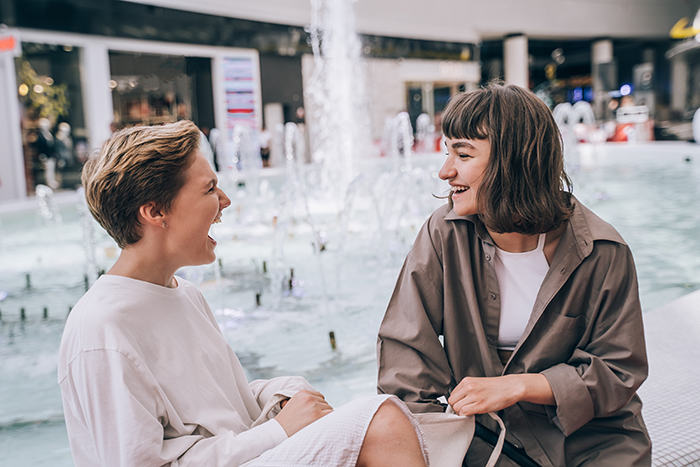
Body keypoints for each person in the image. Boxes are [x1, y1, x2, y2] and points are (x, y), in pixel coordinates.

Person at [58, 120, 428, 467]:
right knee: (383, 423)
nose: (224, 201)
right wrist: (280, 430)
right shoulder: (102, 330)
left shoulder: (183, 294)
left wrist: (277, 395)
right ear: (155, 211)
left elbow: (220, 409)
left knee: (387, 420)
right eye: (208, 189)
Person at [377, 83, 651, 467]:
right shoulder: (443, 235)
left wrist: (520, 385)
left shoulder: (603, 252)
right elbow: (406, 359)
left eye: (463, 154)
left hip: (593, 441)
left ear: (514, 161)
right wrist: (435, 441)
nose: (445, 171)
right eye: (446, 152)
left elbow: (620, 369)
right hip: (485, 439)